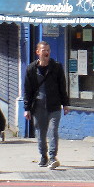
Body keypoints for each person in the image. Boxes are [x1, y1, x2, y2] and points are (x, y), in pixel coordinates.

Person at [24, 41, 69, 169]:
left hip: (54, 105)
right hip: (38, 106)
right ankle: (43, 156)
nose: (47, 52)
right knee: (41, 132)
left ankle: (52, 156)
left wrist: (65, 104)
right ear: (38, 52)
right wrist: (26, 108)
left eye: (48, 50)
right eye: (44, 50)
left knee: (53, 130)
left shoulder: (56, 67)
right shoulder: (31, 69)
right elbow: (27, 90)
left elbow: (62, 86)